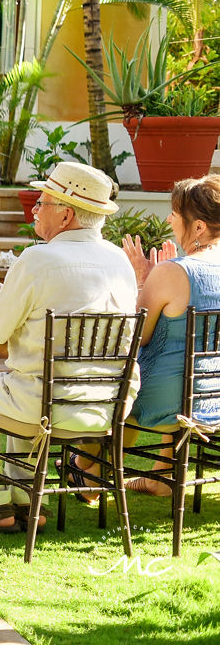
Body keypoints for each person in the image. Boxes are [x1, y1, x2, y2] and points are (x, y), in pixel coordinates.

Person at [0, 162, 136, 532]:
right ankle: (32, 503)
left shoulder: (37, 259)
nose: (34, 208)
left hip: (44, 403)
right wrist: (11, 300)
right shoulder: (119, 260)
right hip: (107, 407)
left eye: (42, 201)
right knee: (27, 389)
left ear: (66, 214)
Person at [103, 175, 220, 497]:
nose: (169, 218)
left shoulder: (173, 271)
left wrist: (145, 278)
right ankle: (159, 474)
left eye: (175, 212)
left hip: (170, 397)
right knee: (178, 360)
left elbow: (136, 337)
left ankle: (88, 471)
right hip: (213, 392)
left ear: (198, 227)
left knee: (120, 379)